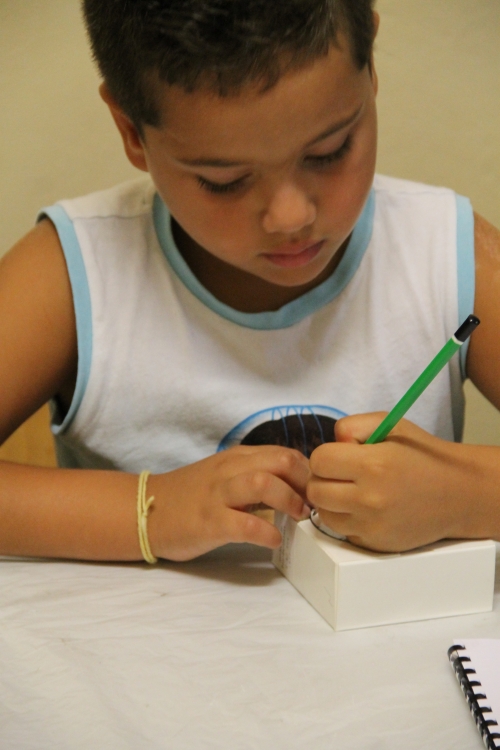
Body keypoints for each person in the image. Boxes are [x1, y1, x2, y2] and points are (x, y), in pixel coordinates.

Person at [0, 0, 499, 564]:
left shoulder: (445, 249)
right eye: (224, 181)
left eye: (330, 151)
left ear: (370, 65)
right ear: (130, 131)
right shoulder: (74, 270)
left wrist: (469, 496)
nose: (290, 217)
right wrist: (151, 510)